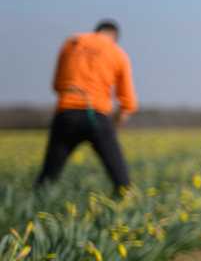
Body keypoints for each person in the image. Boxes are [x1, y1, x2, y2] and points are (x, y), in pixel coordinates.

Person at [36, 19, 137, 192]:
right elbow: (127, 102)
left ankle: (36, 209)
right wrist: (116, 125)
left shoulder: (71, 43)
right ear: (114, 36)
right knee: (122, 182)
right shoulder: (116, 52)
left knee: (47, 179)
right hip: (96, 115)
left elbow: (57, 85)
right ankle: (122, 211)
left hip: (66, 114)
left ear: (96, 31)